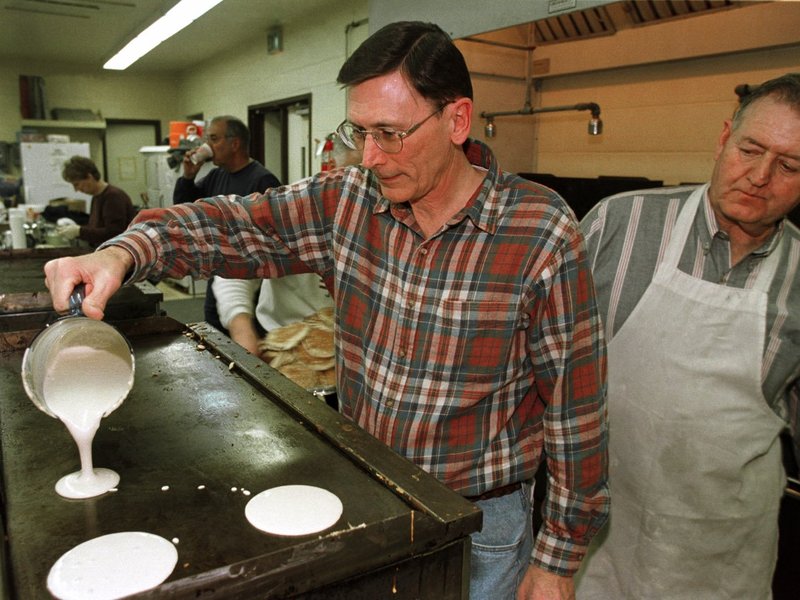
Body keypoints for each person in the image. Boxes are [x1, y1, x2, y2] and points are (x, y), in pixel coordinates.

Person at [43, 22, 609, 599]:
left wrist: (558, 559)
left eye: (390, 133)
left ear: (457, 121)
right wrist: (124, 252)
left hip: (482, 527)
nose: (371, 156)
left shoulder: (538, 231)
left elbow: (575, 405)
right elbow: (231, 225)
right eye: (359, 131)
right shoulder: (348, 200)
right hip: (373, 496)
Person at [576, 73, 800, 599]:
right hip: (601, 547)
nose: (760, 176)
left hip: (723, 563)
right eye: (750, 149)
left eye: (789, 166)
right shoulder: (617, 226)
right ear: (724, 138)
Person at [173, 115, 329, 350]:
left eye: (213, 139)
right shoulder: (217, 175)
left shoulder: (262, 180)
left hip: (247, 280)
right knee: (215, 336)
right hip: (222, 274)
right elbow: (184, 211)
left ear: (234, 143)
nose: (208, 145)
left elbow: (260, 250)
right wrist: (188, 175)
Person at [59, 156, 136, 247]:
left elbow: (114, 233)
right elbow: (96, 228)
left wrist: (79, 231)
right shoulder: (97, 197)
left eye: (77, 184)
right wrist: (76, 229)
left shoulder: (113, 197)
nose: (76, 190)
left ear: (89, 177)